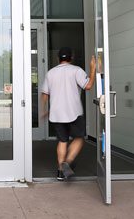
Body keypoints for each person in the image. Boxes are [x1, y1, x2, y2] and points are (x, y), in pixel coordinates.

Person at [41, 47, 96, 181]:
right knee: (78, 139)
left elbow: (44, 94)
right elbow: (88, 86)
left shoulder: (50, 73)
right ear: (71, 58)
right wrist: (93, 69)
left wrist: (44, 110)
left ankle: (60, 171)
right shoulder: (76, 70)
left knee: (62, 141)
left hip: (56, 113)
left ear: (58, 59)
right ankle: (68, 161)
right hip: (73, 112)